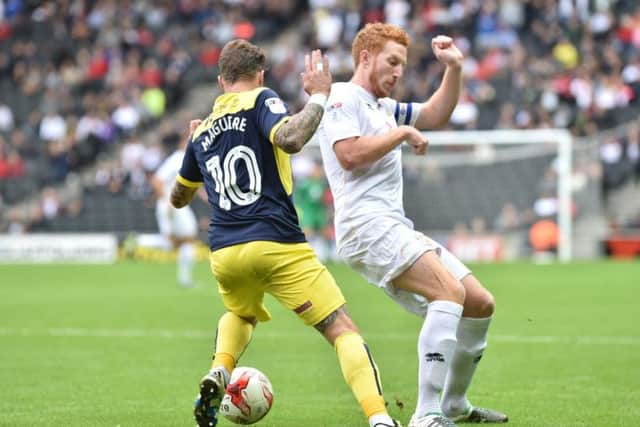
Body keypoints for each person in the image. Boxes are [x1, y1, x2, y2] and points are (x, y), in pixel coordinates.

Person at [170, 39, 400, 427]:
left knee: (240, 313)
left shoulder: (204, 128)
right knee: (341, 328)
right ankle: (379, 419)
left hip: (225, 253)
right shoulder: (262, 100)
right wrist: (320, 97)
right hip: (274, 241)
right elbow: (290, 138)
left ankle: (220, 370)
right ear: (259, 75)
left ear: (220, 80)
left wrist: (194, 146)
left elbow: (178, 198)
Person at [315, 23, 508, 427]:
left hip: (394, 224)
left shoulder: (384, 107)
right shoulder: (341, 98)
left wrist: (453, 68)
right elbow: (349, 155)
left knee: (478, 302)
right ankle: (426, 414)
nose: (399, 72)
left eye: (402, 64)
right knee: (448, 292)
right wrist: (402, 133)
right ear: (365, 57)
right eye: (392, 61)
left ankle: (455, 404)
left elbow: (436, 113)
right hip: (364, 227)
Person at [150, 134, 199, 287]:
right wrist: (167, 200)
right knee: (180, 240)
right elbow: (157, 180)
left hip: (178, 204)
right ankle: (137, 242)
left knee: (183, 240)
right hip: (172, 204)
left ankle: (185, 279)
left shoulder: (186, 159)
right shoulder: (179, 158)